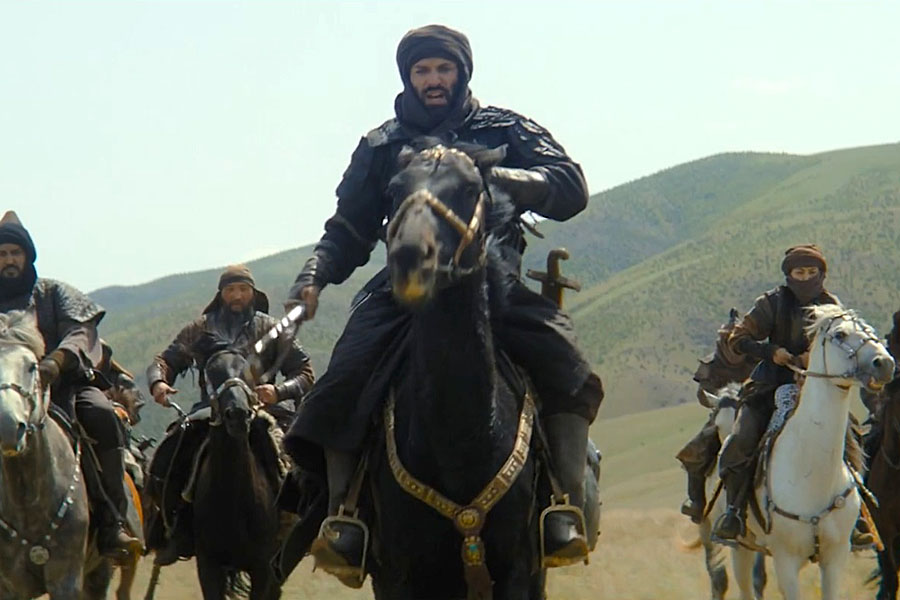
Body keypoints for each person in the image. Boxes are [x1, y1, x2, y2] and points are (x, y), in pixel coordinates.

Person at [282, 24, 603, 575]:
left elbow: (569, 185)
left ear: (461, 73)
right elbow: (350, 229)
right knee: (342, 377)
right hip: (404, 285)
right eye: (422, 70)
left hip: (494, 282)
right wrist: (314, 275)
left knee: (566, 363)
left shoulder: (504, 128)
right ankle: (343, 519)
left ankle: (563, 506)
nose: (433, 80)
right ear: (408, 77)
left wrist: (494, 175)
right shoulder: (381, 145)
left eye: (443, 69)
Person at [145, 264, 315, 564]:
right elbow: (164, 361)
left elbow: (304, 372)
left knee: (298, 458)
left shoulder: (273, 328)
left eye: (243, 290)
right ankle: (173, 525)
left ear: (253, 293)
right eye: (231, 290)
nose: (237, 296)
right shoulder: (200, 329)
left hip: (263, 408)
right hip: (210, 410)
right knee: (173, 449)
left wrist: (278, 391)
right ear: (221, 294)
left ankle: (301, 523)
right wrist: (158, 382)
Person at [0, 210, 141, 557]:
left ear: (28, 256)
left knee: (102, 414)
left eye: (15, 252)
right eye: (2, 254)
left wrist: (55, 362)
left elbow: (81, 332)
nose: (9, 260)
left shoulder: (53, 292)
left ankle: (111, 519)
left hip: (65, 387)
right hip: (6, 392)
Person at [712, 244, 872, 546]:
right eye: (800, 272)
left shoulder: (832, 306)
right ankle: (734, 512)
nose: (806, 277)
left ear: (822, 273)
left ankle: (857, 516)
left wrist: (814, 357)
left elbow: (843, 343)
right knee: (741, 440)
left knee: (853, 439)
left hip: (818, 390)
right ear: (789, 274)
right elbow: (738, 338)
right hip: (768, 387)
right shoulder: (771, 303)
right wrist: (772, 352)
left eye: (812, 272)